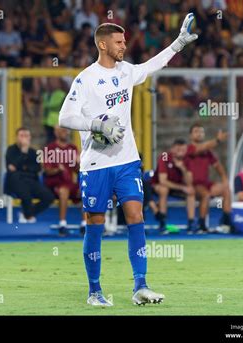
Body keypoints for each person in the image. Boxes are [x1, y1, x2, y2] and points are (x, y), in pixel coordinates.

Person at [59, 15, 198, 306]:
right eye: (119, 42)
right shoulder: (85, 79)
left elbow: (152, 65)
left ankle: (141, 286)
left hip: (127, 161)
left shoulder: (126, 72)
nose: (124, 46)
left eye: (124, 41)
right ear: (102, 44)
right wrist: (95, 124)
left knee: (136, 216)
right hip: (96, 163)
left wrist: (178, 44)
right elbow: (65, 117)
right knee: (95, 222)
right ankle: (94, 291)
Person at [186, 123, 232, 233]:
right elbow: (201, 148)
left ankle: (226, 223)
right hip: (192, 185)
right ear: (190, 135)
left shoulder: (207, 152)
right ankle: (202, 225)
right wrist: (217, 140)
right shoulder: (189, 149)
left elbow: (217, 165)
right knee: (205, 194)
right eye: (196, 131)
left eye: (201, 132)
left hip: (206, 184)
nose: (199, 134)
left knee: (226, 189)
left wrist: (224, 179)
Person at [5, 127, 54, 223]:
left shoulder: (34, 152)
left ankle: (27, 214)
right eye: (21, 135)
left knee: (49, 197)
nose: (24, 138)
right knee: (26, 196)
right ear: (17, 137)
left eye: (26, 136)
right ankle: (28, 216)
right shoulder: (11, 150)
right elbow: (11, 167)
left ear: (30, 138)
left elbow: (37, 168)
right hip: (16, 181)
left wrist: (23, 167)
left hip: (31, 180)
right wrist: (23, 152)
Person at [43, 126, 86, 236]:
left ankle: (84, 224)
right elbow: (47, 171)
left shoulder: (73, 148)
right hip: (54, 184)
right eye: (62, 131)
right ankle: (62, 224)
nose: (65, 133)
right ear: (56, 133)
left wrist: (78, 164)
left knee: (85, 190)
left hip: (69, 183)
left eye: (67, 131)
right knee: (64, 191)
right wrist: (58, 169)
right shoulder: (50, 148)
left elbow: (78, 171)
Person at [151, 139, 196, 234]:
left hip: (177, 187)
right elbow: (163, 181)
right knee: (164, 189)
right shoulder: (164, 156)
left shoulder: (188, 159)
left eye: (183, 150)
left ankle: (191, 223)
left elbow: (189, 182)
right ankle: (162, 223)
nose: (181, 152)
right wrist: (182, 188)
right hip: (158, 186)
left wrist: (182, 168)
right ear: (172, 149)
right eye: (178, 149)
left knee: (191, 191)